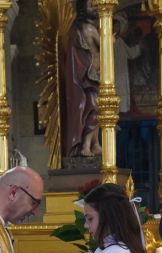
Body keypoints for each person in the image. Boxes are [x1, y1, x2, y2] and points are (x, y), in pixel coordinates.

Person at [63, 1, 101, 157]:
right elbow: (105, 46)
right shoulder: (90, 29)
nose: (95, 7)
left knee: (96, 109)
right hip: (89, 77)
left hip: (91, 77)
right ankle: (86, 145)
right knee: (94, 109)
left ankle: (95, 144)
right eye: (91, 4)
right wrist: (111, 38)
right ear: (82, 8)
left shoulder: (77, 30)